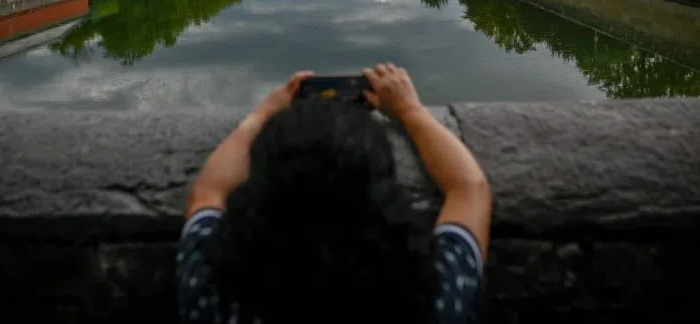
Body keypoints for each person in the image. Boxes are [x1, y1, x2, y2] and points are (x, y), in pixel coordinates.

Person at [178, 64, 493, 323]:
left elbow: (207, 193)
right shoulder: (435, 298)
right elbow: (470, 189)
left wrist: (260, 116)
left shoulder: (213, 293)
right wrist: (409, 110)